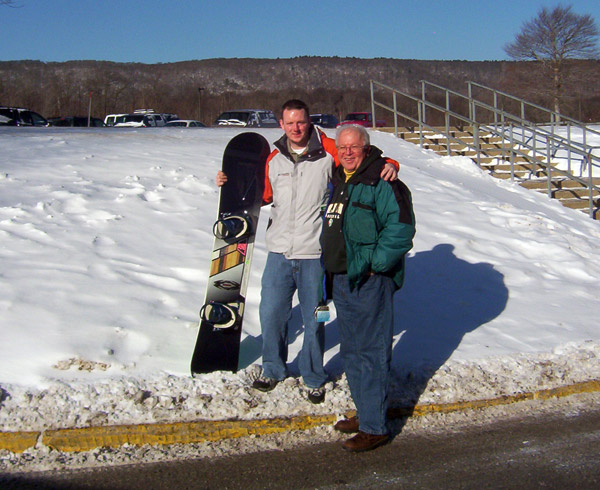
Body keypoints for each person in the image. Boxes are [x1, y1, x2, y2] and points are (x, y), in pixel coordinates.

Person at [216, 100, 398, 404]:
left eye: (300, 122)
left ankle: (313, 376)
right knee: (272, 314)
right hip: (279, 251)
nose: (295, 129)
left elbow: (362, 158)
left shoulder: (328, 149)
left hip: (315, 252)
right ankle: (273, 368)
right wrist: (228, 182)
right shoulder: (273, 157)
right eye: (289, 123)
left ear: (308, 121)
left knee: (315, 319)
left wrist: (391, 163)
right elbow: (259, 194)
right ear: (281, 125)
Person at [321, 124, 415, 451]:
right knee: (353, 351)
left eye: (354, 147)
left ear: (366, 148)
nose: (347, 152)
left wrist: (375, 264)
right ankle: (366, 412)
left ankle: (375, 427)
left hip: (369, 280)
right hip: (342, 280)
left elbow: (400, 230)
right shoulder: (339, 179)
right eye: (342, 147)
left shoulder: (384, 181)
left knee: (372, 352)